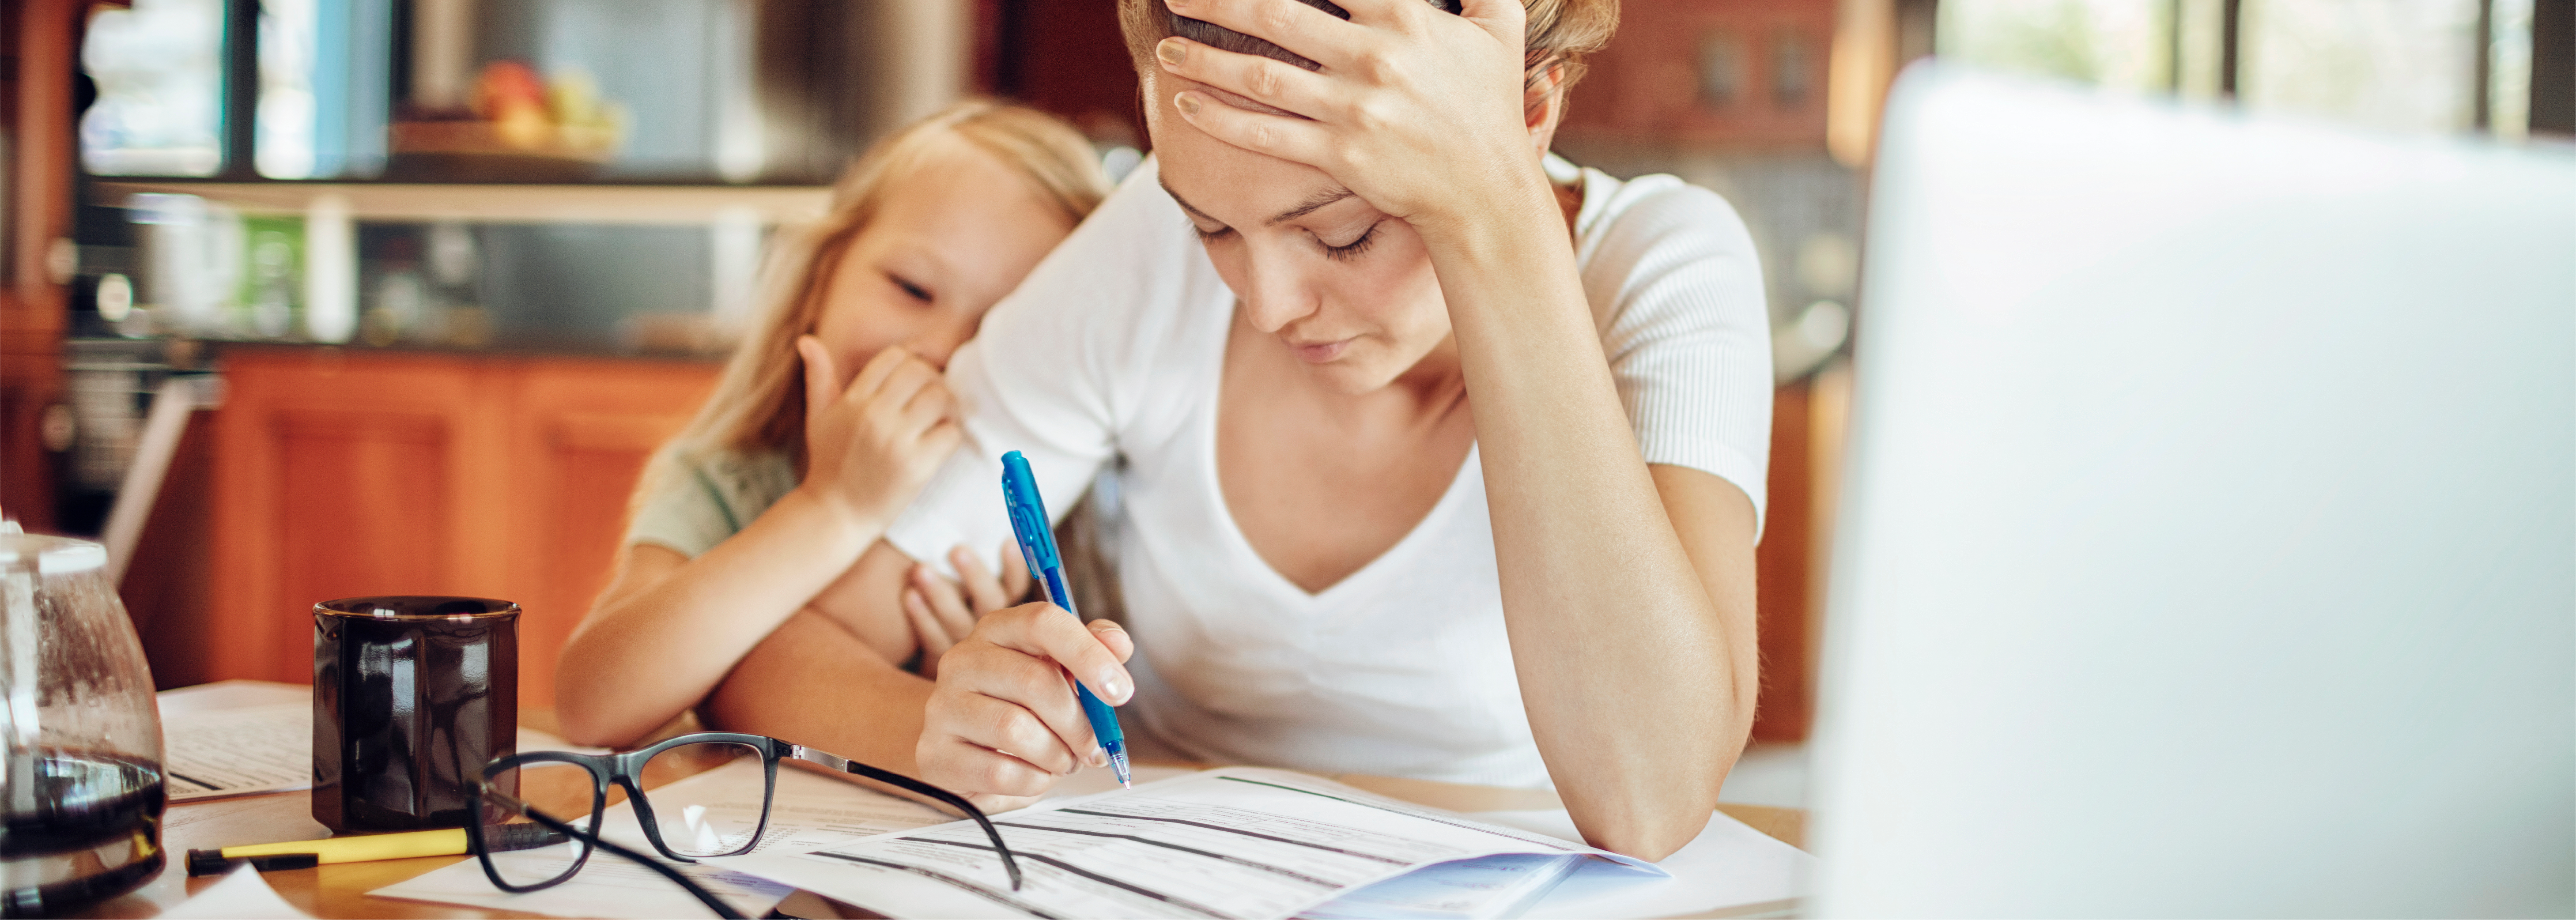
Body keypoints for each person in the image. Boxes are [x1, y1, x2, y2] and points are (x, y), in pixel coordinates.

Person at [706, 0, 1771, 861]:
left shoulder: (1660, 267)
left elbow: (1650, 798)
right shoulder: (1143, 260)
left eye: (1343, 234)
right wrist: (943, 728)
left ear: (1524, 113)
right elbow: (785, 652)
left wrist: (1496, 213)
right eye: (1211, 224)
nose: (1265, 305)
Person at [553, 101, 1113, 749]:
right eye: (911, 288)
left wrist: (971, 677)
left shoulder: (1072, 512)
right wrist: (834, 507)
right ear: (823, 276)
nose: (942, 349)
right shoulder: (729, 478)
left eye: (997, 332)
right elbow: (591, 705)